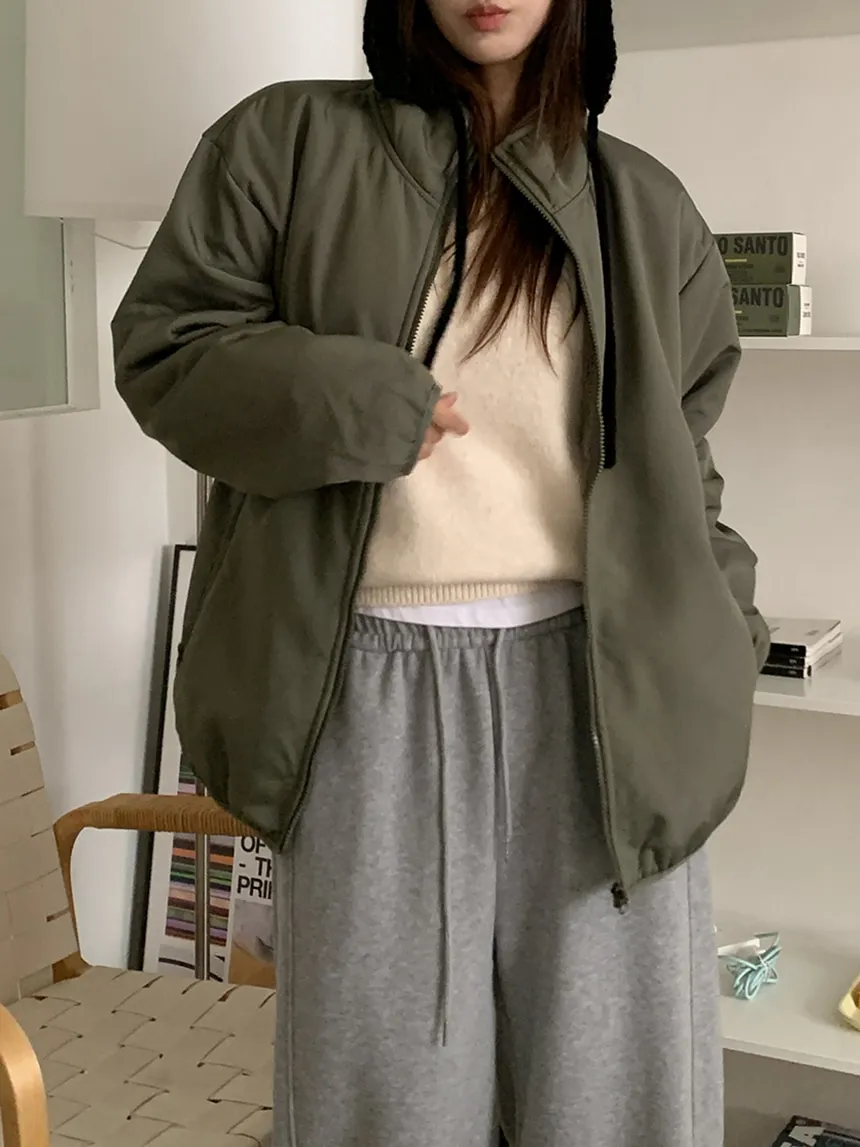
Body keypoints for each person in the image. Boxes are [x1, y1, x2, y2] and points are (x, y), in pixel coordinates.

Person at [113, 0, 770, 1143]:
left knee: (621, 1109)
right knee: (383, 1108)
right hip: (366, 697)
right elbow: (166, 350)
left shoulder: (642, 204)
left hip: (603, 702)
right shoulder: (283, 145)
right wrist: (355, 400)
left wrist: (723, 637)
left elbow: (685, 463)